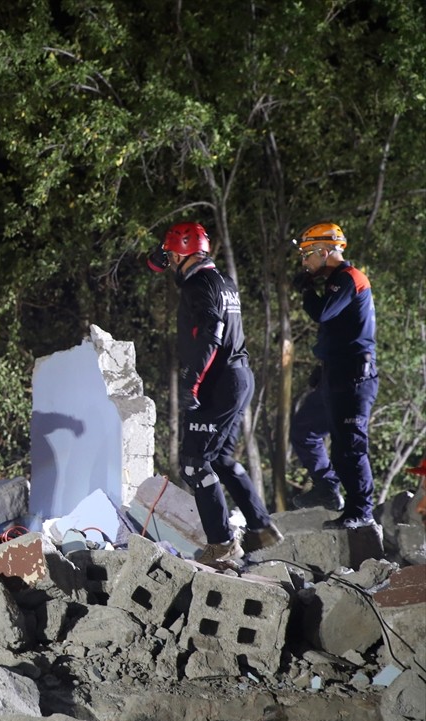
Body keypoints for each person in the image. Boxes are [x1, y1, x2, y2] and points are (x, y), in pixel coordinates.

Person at [146, 222, 283, 568]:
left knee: (194, 464)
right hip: (238, 377)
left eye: (172, 254)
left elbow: (212, 332)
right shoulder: (223, 281)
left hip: (218, 381)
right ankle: (261, 527)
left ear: (183, 252)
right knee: (220, 459)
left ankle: (222, 544)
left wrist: (192, 381)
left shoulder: (198, 284)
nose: (169, 261)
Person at [289, 222, 380, 530]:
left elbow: (323, 313)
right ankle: (327, 488)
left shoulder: (348, 279)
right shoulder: (337, 281)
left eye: (307, 256)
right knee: (304, 429)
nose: (305, 263)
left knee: (348, 447)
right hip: (335, 374)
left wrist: (306, 290)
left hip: (354, 379)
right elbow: (338, 329)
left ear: (324, 252)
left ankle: (361, 510)